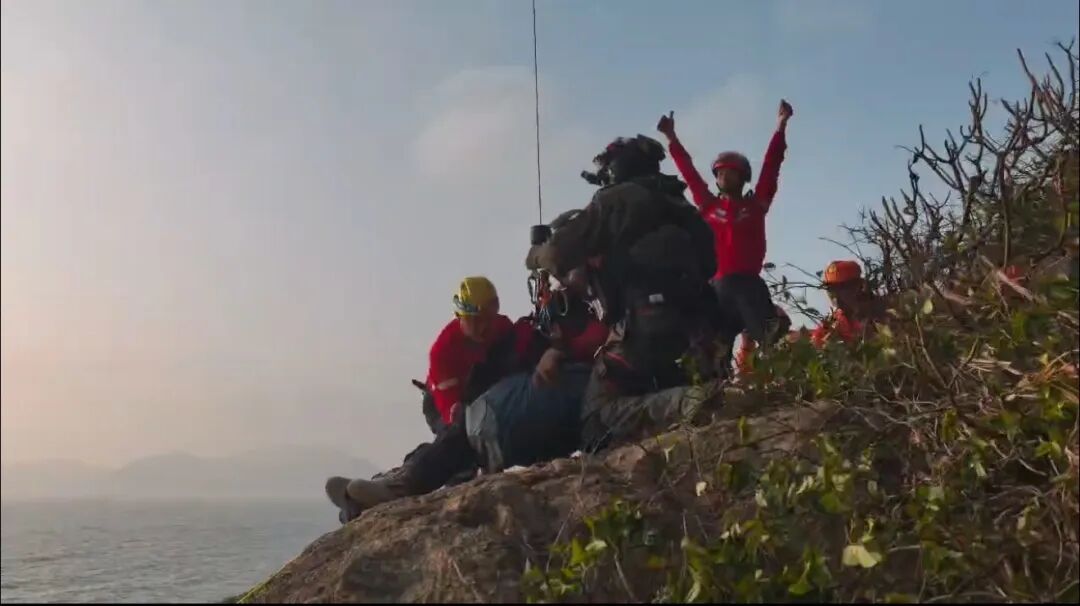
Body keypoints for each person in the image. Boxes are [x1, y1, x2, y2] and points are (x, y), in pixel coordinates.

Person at [326, 283, 610, 523]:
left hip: (486, 397)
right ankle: (394, 485)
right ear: (459, 316)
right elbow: (450, 406)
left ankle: (377, 491)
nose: (481, 326)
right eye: (472, 320)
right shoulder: (444, 350)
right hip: (444, 401)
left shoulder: (504, 330)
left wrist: (552, 351)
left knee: (462, 447)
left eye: (486, 317)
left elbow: (530, 343)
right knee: (458, 440)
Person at [527, 134, 725, 453]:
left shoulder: (616, 201)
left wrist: (536, 253)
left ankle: (685, 403)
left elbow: (556, 255)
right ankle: (689, 400)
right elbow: (710, 265)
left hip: (642, 337)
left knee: (596, 421)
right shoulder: (682, 207)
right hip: (697, 338)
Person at [657, 100, 793, 372]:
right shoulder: (708, 206)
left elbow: (771, 165)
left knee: (769, 339)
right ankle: (717, 397)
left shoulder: (756, 205)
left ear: (743, 178)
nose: (724, 176)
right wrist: (671, 138)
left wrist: (781, 126)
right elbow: (689, 171)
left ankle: (785, 384)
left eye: (731, 172)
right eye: (720, 173)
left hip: (748, 285)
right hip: (715, 288)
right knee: (713, 351)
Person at [811, 260, 886, 347]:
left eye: (841, 287)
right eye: (830, 289)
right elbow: (815, 344)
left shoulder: (881, 314)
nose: (834, 294)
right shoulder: (832, 321)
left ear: (858, 286)